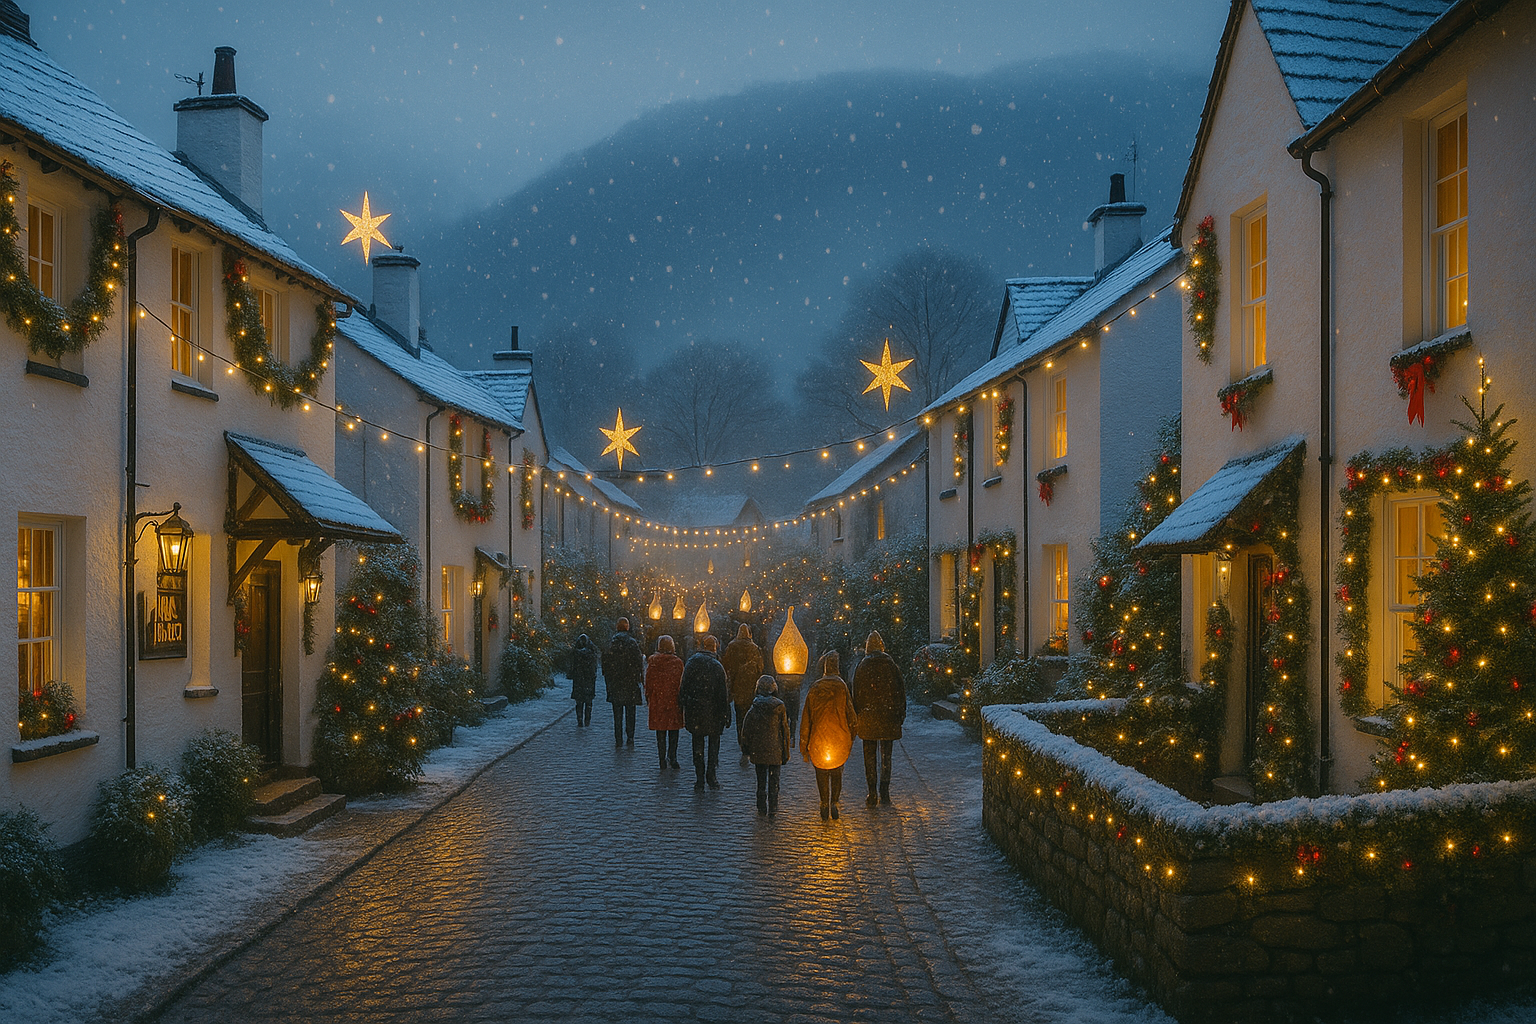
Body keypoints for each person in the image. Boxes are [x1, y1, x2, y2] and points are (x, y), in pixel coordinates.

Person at [800, 651, 858, 821]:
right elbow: (851, 716)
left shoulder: (815, 688)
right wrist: (851, 737)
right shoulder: (841, 687)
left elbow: (806, 719)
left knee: (821, 772)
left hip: (818, 738)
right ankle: (834, 801)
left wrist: (804, 745)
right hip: (839, 737)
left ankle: (824, 801)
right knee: (837, 771)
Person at [851, 630, 907, 805]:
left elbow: (856, 693)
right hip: (888, 716)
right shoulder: (891, 665)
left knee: (869, 757)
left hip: (868, 717)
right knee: (886, 756)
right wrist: (899, 714)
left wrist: (859, 713)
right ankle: (885, 790)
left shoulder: (862, 666)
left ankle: (872, 791)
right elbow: (900, 692)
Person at [679, 634, 730, 791]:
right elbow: (723, 694)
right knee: (713, 746)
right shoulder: (716, 666)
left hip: (695, 711)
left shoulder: (692, 663)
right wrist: (725, 713)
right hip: (713, 712)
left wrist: (684, 704)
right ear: (714, 648)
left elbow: (683, 688)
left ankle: (699, 778)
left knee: (697, 744)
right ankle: (711, 775)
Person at [740, 675, 790, 815]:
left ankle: (761, 806)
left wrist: (746, 749)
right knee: (774, 781)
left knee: (761, 781)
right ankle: (773, 807)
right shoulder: (779, 707)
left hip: (759, 751)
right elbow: (784, 731)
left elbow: (746, 729)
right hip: (775, 750)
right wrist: (785, 752)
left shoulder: (755, 707)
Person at [722, 623, 765, 758]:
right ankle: (749, 740)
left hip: (737, 688)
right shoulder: (755, 648)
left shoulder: (732, 647)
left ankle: (742, 741)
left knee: (740, 717)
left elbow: (725, 665)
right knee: (750, 716)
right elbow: (761, 668)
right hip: (751, 688)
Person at [602, 618, 645, 748]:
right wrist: (638, 678)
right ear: (627, 627)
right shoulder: (632, 643)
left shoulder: (611, 643)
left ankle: (618, 737)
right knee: (630, 712)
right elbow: (638, 663)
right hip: (630, 683)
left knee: (617, 713)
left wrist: (609, 680)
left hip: (616, 683)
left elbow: (606, 665)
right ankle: (630, 737)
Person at [645, 635, 685, 770]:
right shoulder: (677, 662)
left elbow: (649, 681)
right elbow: (681, 682)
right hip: (673, 700)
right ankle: (672, 757)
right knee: (673, 731)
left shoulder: (653, 662)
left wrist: (649, 696)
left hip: (658, 700)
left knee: (660, 731)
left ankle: (661, 758)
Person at [570, 633, 598, 727]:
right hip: (588, 680)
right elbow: (594, 666)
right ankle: (587, 719)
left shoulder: (576, 653)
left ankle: (580, 719)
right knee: (588, 702)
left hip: (579, 680)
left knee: (579, 702)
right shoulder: (591, 652)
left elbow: (572, 667)